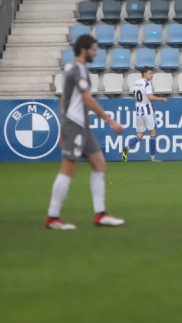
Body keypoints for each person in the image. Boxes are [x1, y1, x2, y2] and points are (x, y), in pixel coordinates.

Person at [45, 35, 125, 230]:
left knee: (99, 165)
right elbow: (87, 99)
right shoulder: (78, 70)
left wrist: (62, 128)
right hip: (75, 125)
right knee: (68, 170)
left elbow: (64, 99)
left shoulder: (73, 69)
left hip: (81, 126)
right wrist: (110, 121)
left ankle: (100, 214)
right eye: (93, 49)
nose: (95, 53)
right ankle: (52, 217)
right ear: (84, 50)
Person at [122, 67, 168, 162]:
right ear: (144, 73)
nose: (152, 75)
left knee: (139, 135)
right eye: (150, 73)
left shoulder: (136, 82)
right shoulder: (147, 83)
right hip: (147, 112)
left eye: (152, 73)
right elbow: (150, 96)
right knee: (153, 133)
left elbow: (140, 97)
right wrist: (161, 98)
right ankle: (153, 157)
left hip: (139, 111)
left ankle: (127, 147)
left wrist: (150, 105)